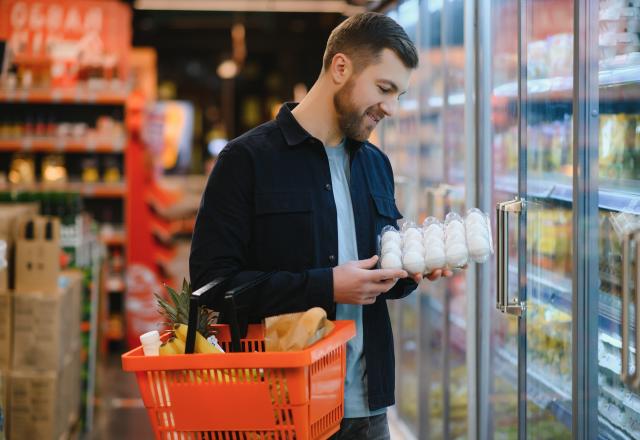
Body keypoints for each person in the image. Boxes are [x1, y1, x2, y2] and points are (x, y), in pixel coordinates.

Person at [190, 11, 453, 439]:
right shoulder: (246, 161)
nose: (391, 108)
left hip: (368, 408)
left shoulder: (376, 164)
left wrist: (413, 269)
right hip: (283, 407)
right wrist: (325, 286)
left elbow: (382, 274)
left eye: (399, 94)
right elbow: (212, 287)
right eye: (384, 89)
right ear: (341, 67)